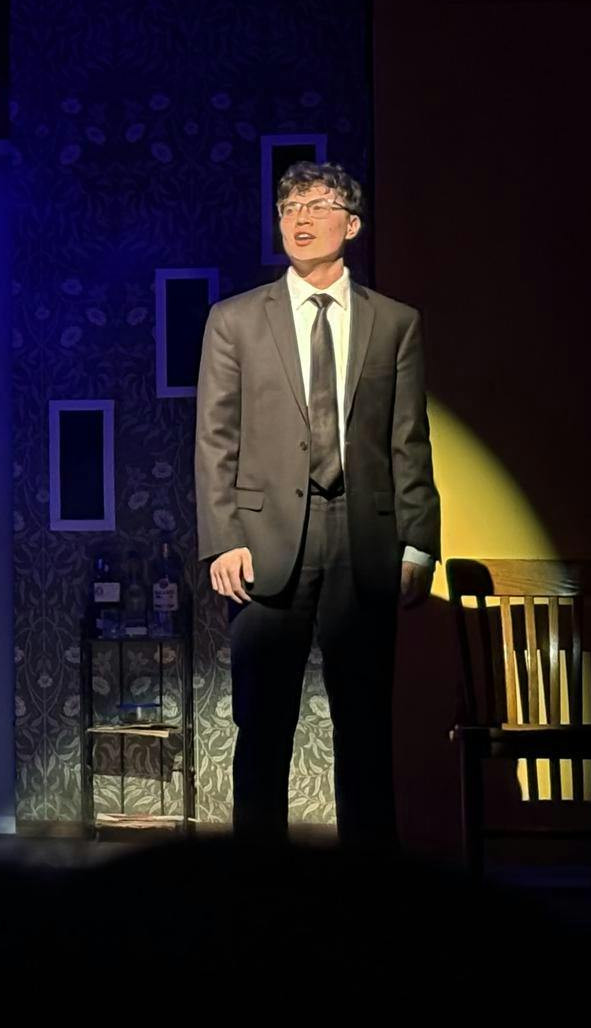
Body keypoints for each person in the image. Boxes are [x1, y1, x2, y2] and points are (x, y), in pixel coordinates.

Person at [196, 161, 441, 846]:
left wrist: (419, 540)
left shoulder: (396, 324)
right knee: (262, 725)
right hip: (263, 544)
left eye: (316, 204)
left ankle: (371, 897)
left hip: (364, 541)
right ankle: (260, 894)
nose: (299, 218)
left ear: (352, 223)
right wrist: (222, 538)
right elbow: (214, 436)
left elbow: (408, 440)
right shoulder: (235, 320)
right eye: (287, 207)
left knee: (365, 726)